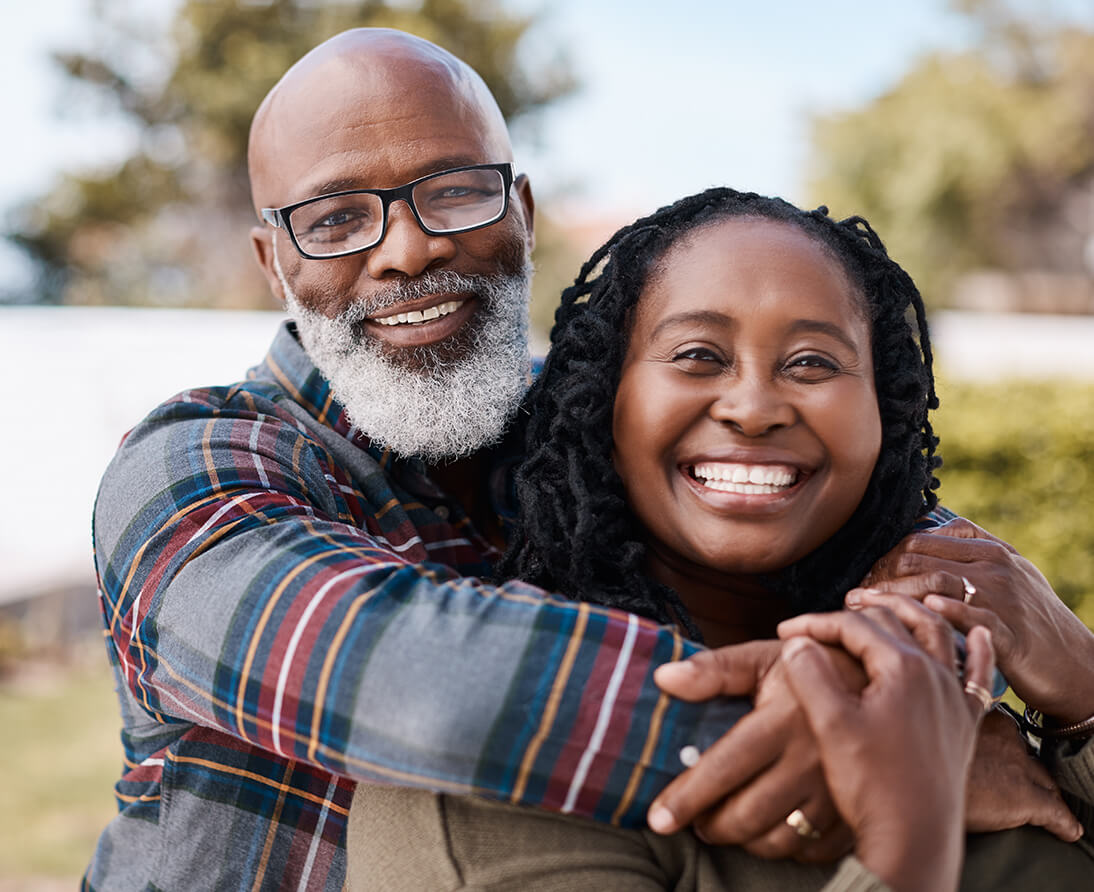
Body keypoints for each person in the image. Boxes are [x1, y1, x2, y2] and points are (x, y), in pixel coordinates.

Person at [84, 28, 1086, 891]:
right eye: (335, 217)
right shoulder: (196, 469)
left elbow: (838, 503)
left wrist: (1058, 661)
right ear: (273, 262)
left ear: (519, 211)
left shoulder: (587, 414)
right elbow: (418, 681)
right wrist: (882, 737)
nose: (405, 250)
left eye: (453, 192)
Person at [344, 189, 1094, 890]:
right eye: (698, 355)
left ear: (885, 416)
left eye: (812, 362)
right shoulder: (491, 764)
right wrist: (909, 817)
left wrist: (1082, 692)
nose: (754, 406)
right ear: (602, 403)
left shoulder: (949, 666)